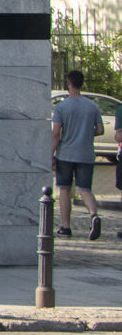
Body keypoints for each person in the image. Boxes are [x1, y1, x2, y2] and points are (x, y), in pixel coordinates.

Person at [50, 69, 104, 239]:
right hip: (86, 154)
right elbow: (100, 130)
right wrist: (86, 134)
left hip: (66, 153)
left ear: (68, 83)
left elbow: (56, 133)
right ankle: (94, 215)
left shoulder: (61, 106)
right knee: (85, 189)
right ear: (81, 83)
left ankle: (66, 227)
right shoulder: (92, 106)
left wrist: (51, 153)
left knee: (64, 189)